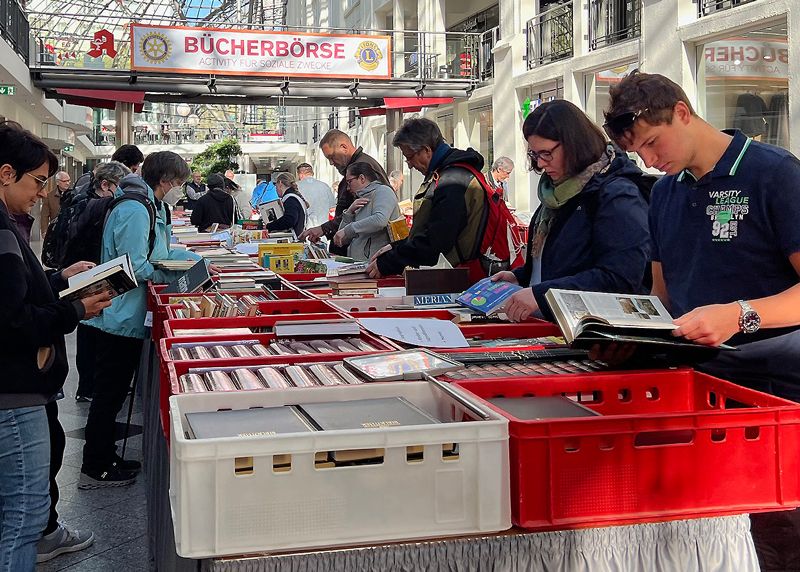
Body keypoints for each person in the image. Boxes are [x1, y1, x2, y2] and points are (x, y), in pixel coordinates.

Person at [604, 71, 800, 569]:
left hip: (780, 394)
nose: (650, 161)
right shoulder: (666, 194)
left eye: (652, 142)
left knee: (782, 541)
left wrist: (740, 315)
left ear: (683, 112)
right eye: (638, 154)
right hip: (700, 395)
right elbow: (662, 296)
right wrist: (630, 336)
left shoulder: (774, 173)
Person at [0, 121, 111, 571]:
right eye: (38, 182)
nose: (43, 194)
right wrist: (75, 311)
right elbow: (11, 321)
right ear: (7, 173)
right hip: (14, 393)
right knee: (23, 518)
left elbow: (15, 295)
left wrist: (59, 279)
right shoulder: (3, 232)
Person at [79, 151, 202, 490]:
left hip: (127, 311)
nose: (181, 189)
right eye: (179, 183)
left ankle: (106, 453)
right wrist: (165, 271)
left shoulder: (150, 206)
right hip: (117, 312)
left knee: (115, 390)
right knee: (110, 392)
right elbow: (135, 264)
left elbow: (160, 251)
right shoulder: (136, 209)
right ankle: (96, 463)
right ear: (166, 180)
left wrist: (196, 261)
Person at [490, 100, 650, 322]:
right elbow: (557, 262)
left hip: (591, 330)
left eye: (546, 153)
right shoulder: (555, 192)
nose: (541, 164)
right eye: (535, 155)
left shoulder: (617, 195)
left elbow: (620, 278)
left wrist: (542, 295)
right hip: (552, 324)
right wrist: (520, 277)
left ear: (574, 144)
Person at [366, 118, 486, 279]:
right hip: (463, 272)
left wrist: (391, 260)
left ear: (426, 150)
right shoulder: (447, 174)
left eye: (409, 157)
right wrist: (397, 247)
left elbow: (436, 242)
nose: (409, 164)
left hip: (468, 277)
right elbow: (432, 231)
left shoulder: (452, 180)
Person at [66, 161, 131, 403]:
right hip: (92, 271)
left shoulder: (79, 200)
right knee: (92, 328)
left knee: (86, 330)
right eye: (119, 186)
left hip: (80, 270)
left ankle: (85, 386)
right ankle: (92, 387)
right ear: (105, 184)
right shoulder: (104, 205)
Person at [298, 129, 388, 255]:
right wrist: (327, 229)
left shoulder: (364, 168)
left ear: (344, 147)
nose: (331, 163)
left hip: (366, 252)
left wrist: (330, 229)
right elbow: (352, 214)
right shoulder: (357, 167)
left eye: (332, 156)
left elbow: (371, 216)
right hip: (357, 249)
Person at [334, 162, 400, 261]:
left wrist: (349, 229)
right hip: (360, 263)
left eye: (349, 182)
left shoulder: (383, 191)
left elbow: (379, 220)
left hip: (377, 264)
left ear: (362, 178)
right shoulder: (360, 199)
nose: (348, 188)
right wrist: (349, 213)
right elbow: (341, 239)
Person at [296, 163, 335, 228]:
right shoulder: (324, 186)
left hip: (304, 228)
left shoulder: (296, 187)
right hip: (322, 228)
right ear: (312, 173)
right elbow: (332, 207)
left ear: (300, 175)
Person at [40, 171, 70, 239]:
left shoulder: (74, 194)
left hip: (70, 231)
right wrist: (44, 231)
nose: (67, 183)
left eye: (68, 180)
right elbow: (44, 216)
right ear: (57, 182)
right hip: (56, 231)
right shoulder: (49, 197)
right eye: (64, 181)